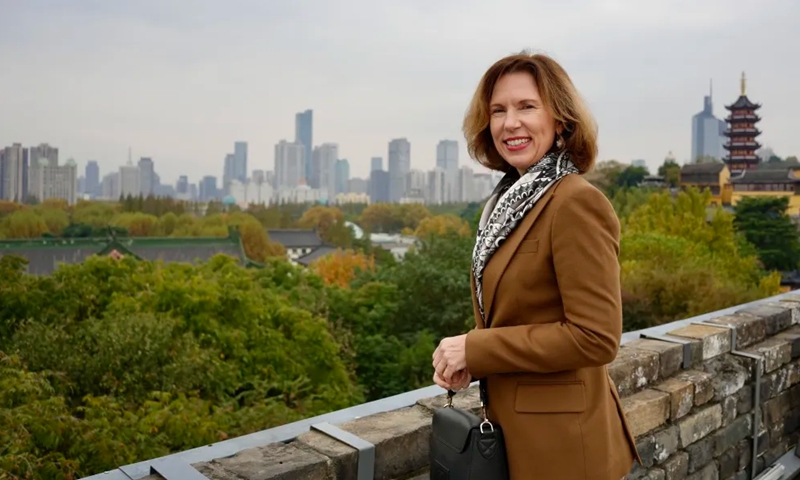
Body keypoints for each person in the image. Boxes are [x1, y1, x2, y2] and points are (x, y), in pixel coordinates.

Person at [431, 51, 641, 480]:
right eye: (498, 110)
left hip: (564, 447)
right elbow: (520, 313)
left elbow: (596, 337)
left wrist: (476, 347)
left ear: (560, 119)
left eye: (527, 106)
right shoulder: (508, 202)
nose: (511, 123)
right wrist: (472, 361)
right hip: (517, 434)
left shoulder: (574, 202)